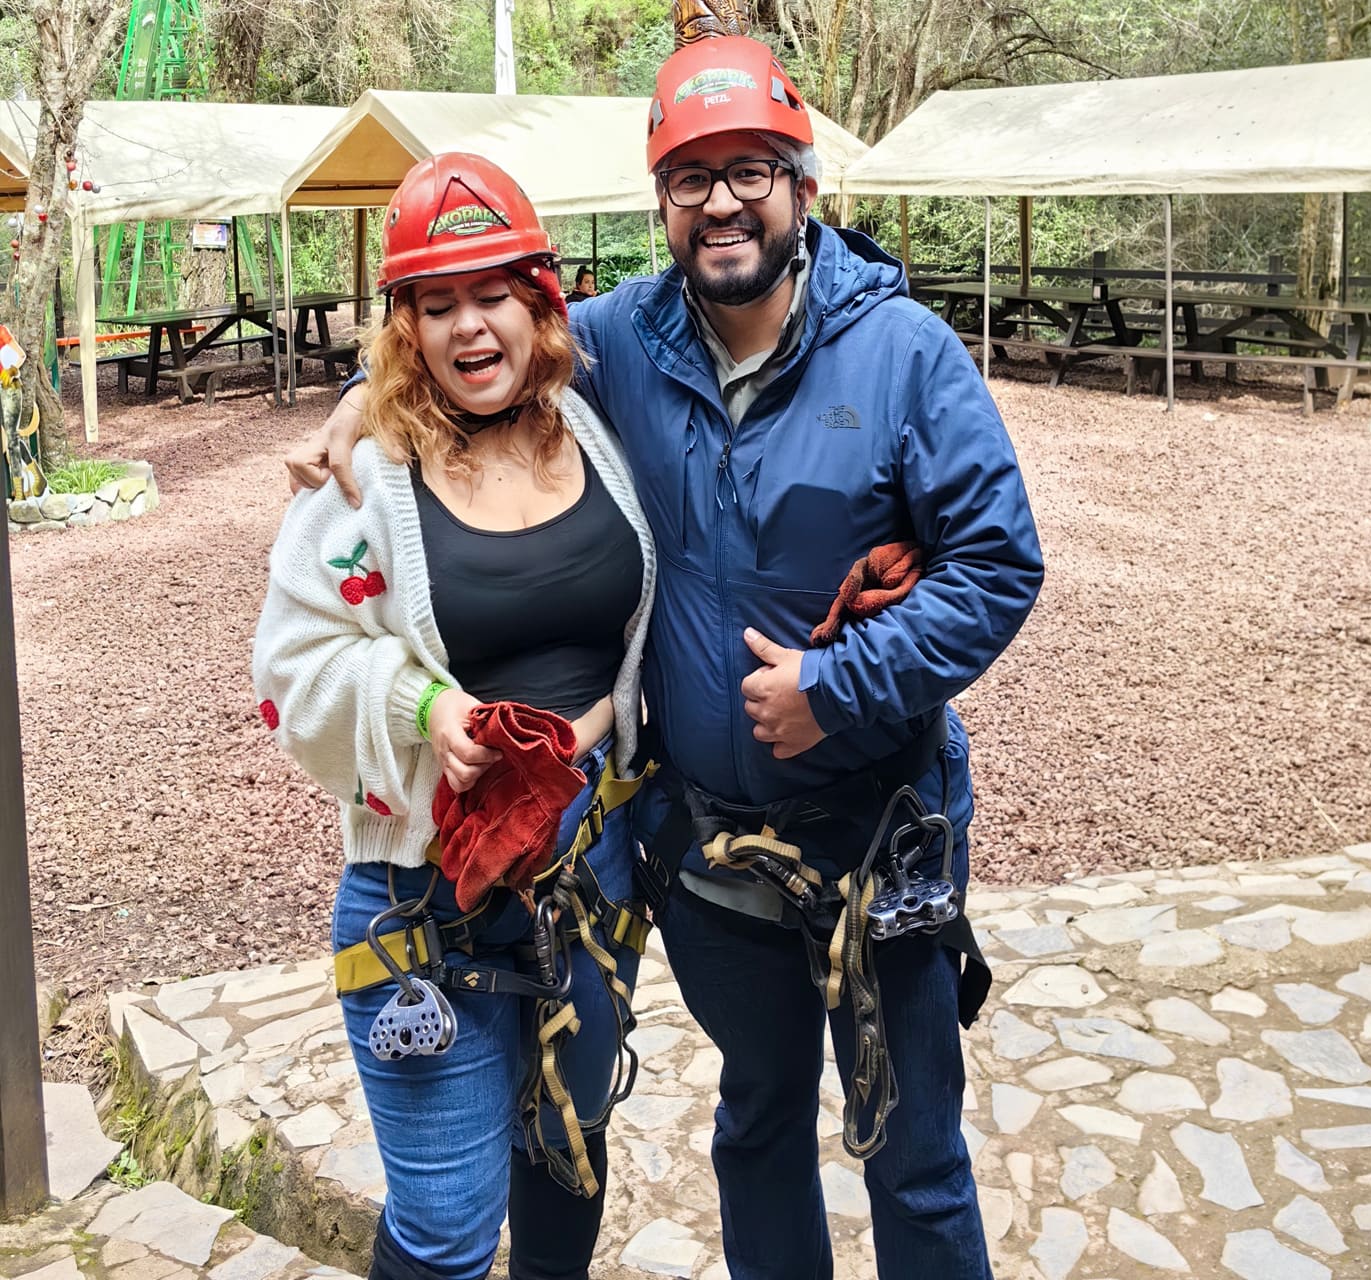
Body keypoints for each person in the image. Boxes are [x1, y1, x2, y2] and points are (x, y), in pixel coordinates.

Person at [288, 35, 1043, 1280]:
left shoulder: (904, 354)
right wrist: (358, 406)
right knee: (757, 1121)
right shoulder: (623, 343)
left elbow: (997, 566)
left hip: (878, 834)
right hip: (712, 853)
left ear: (802, 185)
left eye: (750, 169)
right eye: (692, 177)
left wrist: (836, 687)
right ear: (662, 203)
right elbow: (481, 335)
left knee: (913, 1149)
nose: (722, 202)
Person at [256, 152, 656, 1280]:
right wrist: (419, 703)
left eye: (494, 294)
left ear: (541, 303)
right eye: (438, 304)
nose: (471, 326)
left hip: (589, 864)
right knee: (445, 1229)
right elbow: (288, 666)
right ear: (407, 328)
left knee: (569, 1148)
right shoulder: (366, 480)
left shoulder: (595, 426)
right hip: (426, 895)